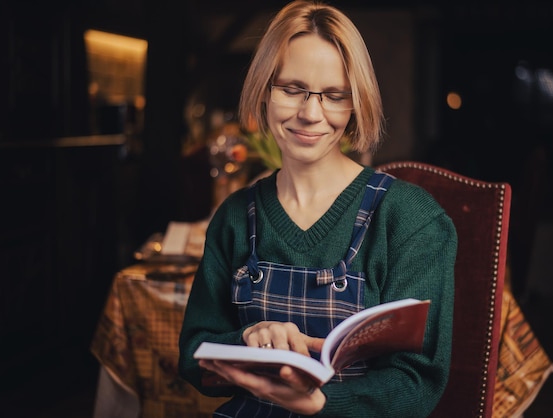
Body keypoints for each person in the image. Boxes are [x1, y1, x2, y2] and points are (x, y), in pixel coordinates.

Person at [178, 1, 457, 416]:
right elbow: (193, 358)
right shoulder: (236, 217)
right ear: (264, 90)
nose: (310, 114)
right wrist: (249, 338)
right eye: (292, 89)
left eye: (333, 96)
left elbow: (418, 381)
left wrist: (321, 402)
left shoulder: (411, 220)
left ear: (355, 103)